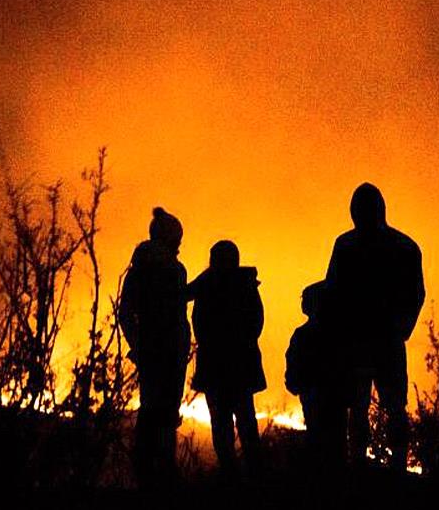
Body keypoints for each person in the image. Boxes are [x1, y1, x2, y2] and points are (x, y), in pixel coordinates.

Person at [324, 183, 425, 472]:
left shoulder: (347, 245)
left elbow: (333, 290)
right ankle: (388, 464)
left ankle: (366, 464)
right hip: (374, 340)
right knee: (381, 407)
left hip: (367, 340)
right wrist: (401, 329)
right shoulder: (403, 246)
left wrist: (400, 329)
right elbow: (416, 294)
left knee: (369, 406)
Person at [119, 206, 190, 488]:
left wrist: (136, 343)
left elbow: (126, 313)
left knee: (155, 410)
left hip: (157, 348)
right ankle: (158, 473)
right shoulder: (170, 269)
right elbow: (130, 313)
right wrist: (138, 343)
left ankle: (152, 472)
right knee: (160, 412)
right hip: (166, 349)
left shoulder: (141, 269)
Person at [186, 240, 266, 478]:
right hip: (241, 365)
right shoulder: (246, 285)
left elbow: (197, 319)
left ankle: (232, 474)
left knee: (222, 423)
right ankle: (253, 473)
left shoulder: (207, 285)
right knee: (245, 421)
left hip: (215, 366)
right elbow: (256, 323)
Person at [285, 281, 346, 474]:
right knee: (335, 439)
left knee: (317, 436)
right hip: (332, 395)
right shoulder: (338, 334)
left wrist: (296, 384)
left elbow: (293, 363)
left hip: (314, 394)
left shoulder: (303, 334)